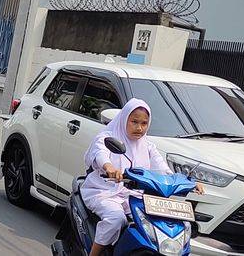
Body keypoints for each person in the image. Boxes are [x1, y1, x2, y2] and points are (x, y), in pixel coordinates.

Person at [81, 98, 204, 256]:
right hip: (104, 191)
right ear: (124, 118)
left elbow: (163, 169)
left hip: (133, 195)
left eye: (144, 123)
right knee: (116, 219)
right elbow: (100, 153)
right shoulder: (107, 137)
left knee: (153, 223)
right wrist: (109, 167)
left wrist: (189, 183)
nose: (139, 128)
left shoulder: (147, 145)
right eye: (134, 122)